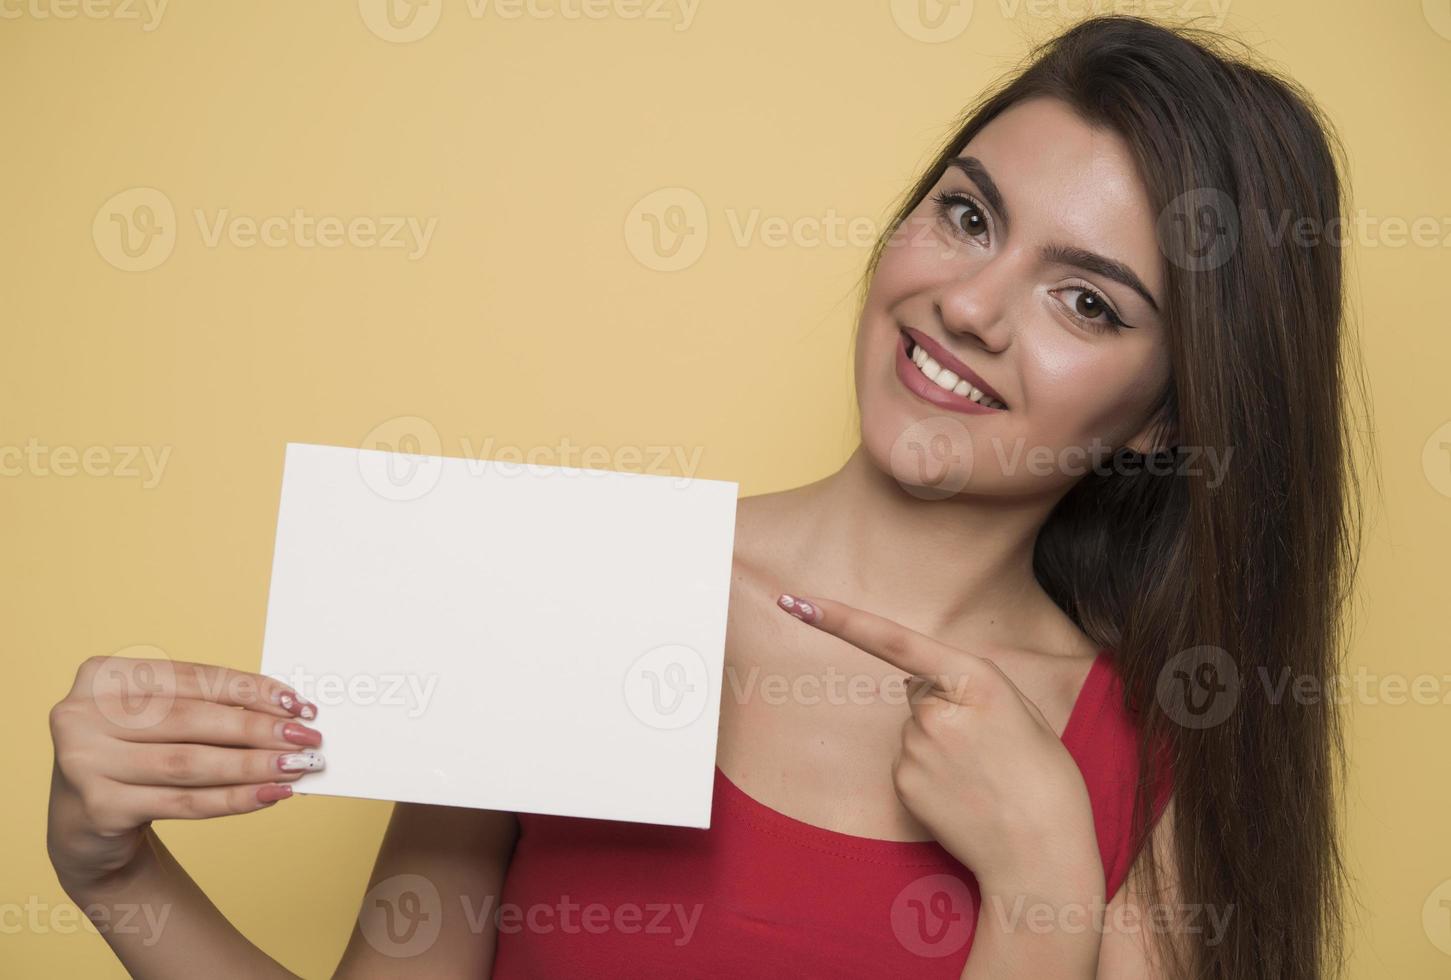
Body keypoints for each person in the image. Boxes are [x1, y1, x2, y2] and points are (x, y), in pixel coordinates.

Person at [47, 14, 1364, 978]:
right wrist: (114, 872)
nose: (968, 305)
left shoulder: (1148, 765)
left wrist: (1038, 889)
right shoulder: (566, 590)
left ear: (1167, 420)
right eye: (967, 217)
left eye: (1084, 300)